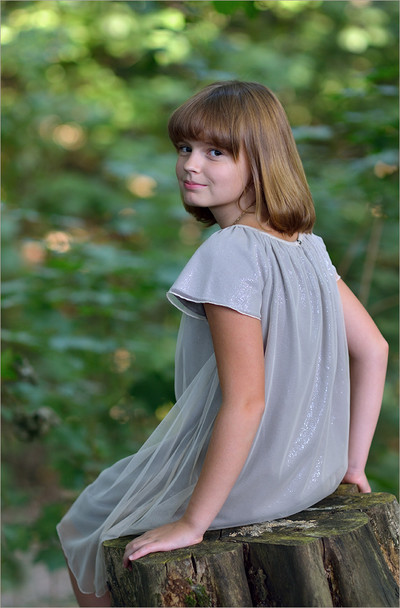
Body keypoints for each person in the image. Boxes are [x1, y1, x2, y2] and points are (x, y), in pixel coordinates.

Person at [57, 81, 388, 606]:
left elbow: (246, 401)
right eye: (184, 148)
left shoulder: (230, 252)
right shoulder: (308, 247)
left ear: (260, 161)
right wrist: (351, 465)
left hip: (251, 480)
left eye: (215, 152)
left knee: (83, 520)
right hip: (312, 472)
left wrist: (192, 523)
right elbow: (375, 349)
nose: (190, 164)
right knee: (107, 500)